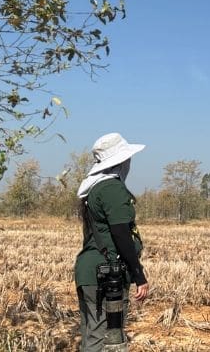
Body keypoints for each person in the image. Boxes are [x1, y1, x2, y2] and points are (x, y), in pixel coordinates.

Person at [74, 132, 149, 352]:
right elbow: (121, 234)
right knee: (108, 338)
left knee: (92, 333)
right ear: (121, 160)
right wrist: (139, 274)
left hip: (91, 270)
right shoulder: (112, 188)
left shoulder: (95, 188)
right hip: (106, 274)